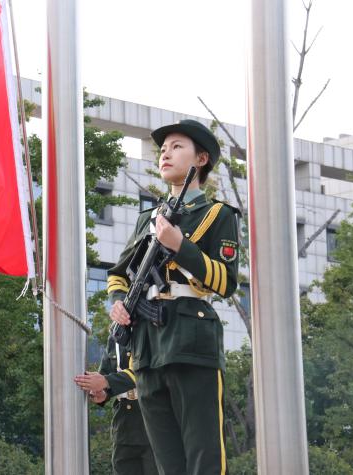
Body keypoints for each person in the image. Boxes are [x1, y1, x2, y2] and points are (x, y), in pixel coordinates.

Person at [107, 119, 240, 475]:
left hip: (191, 341)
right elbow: (119, 274)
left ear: (201, 159)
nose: (165, 153)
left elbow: (226, 281)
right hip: (147, 348)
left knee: (204, 458)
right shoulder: (149, 219)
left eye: (177, 146)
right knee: (167, 464)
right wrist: (118, 303)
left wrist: (181, 246)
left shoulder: (217, 215)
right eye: (163, 149)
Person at [75, 335, 158, 475]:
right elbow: (106, 372)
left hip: (154, 421)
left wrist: (106, 381)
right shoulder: (116, 334)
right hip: (124, 426)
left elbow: (145, 370)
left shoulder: (151, 328)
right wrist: (101, 393)